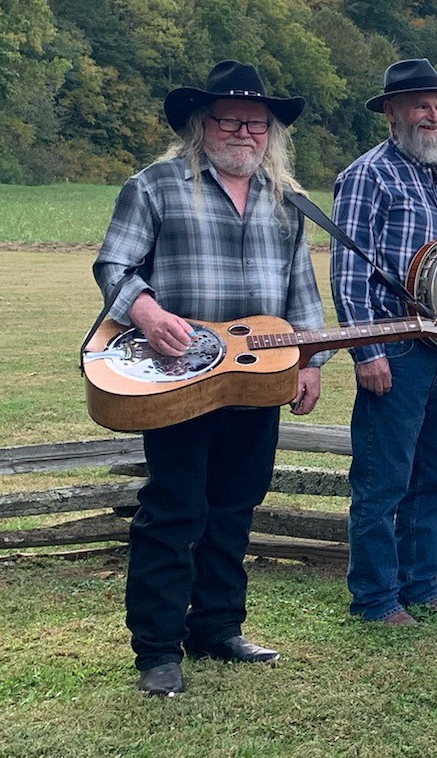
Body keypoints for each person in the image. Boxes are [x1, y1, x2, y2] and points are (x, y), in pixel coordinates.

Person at [93, 60, 326, 698]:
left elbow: (298, 286)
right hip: (178, 379)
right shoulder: (155, 186)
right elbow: (114, 262)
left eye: (258, 123)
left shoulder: (286, 200)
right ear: (203, 124)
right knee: (174, 508)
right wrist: (145, 309)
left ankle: (217, 628)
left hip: (258, 378)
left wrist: (308, 360)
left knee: (234, 505)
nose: (245, 133)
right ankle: (158, 649)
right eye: (231, 119)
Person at [332, 58, 437, 627]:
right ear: (391, 113)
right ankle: (377, 599)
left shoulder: (436, 180)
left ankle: (422, 585)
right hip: (394, 347)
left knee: (434, 473)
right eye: (420, 105)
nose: (432, 115)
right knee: (383, 479)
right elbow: (347, 274)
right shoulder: (368, 175)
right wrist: (367, 352)